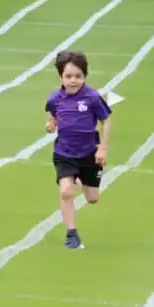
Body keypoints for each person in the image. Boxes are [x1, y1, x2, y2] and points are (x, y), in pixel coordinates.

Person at [45, 49, 112, 250]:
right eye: (68, 76)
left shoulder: (92, 97)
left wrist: (102, 149)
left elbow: (106, 120)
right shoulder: (55, 98)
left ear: (84, 76)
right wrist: (50, 123)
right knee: (66, 192)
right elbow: (53, 115)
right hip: (64, 153)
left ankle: (82, 178)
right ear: (60, 77)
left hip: (89, 153)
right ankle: (72, 234)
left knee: (92, 198)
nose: (73, 80)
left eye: (78, 76)